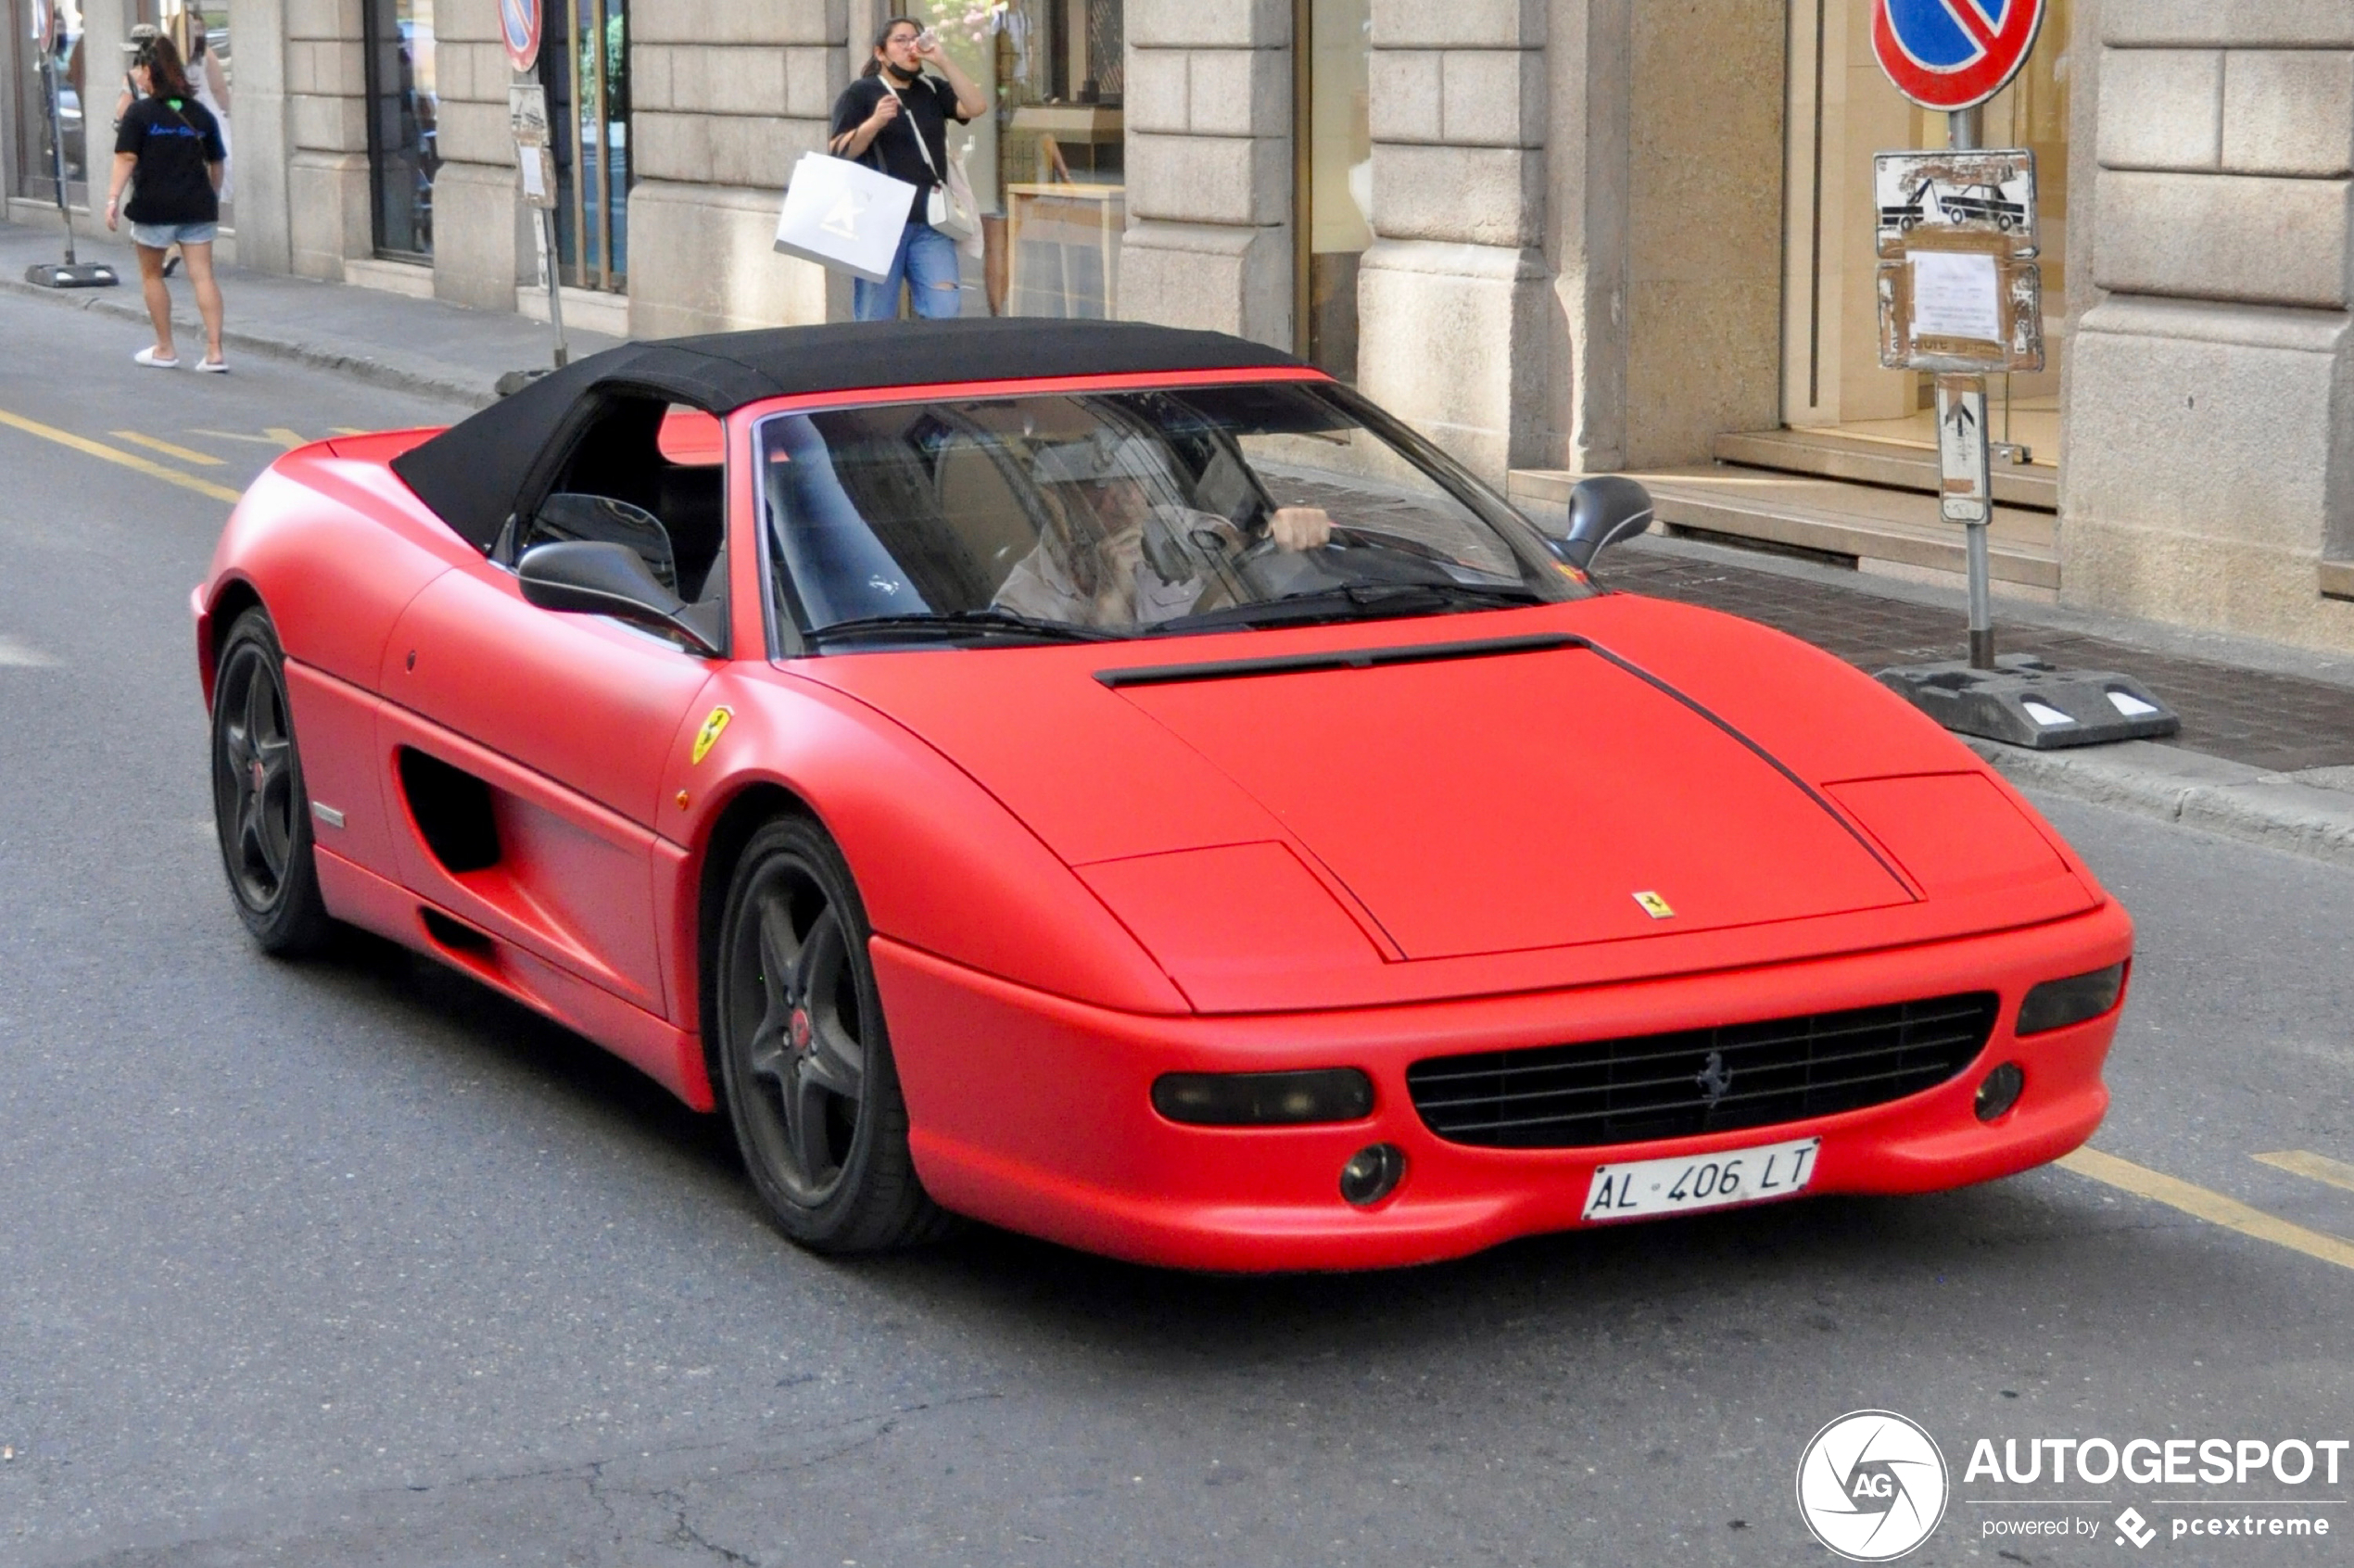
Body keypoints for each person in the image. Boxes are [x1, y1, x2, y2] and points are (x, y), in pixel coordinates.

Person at [993, 431, 1335, 630]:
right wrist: (1112, 601)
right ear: (1060, 497)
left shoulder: (1180, 526)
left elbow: (1249, 558)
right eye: (1099, 485)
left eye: (1134, 480)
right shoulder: (1023, 601)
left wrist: (1291, 531)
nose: (1123, 497)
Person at [827, 19, 985, 322]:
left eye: (914, 38)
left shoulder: (931, 89)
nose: (910, 46)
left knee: (944, 313)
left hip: (931, 223)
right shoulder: (861, 93)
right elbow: (837, 151)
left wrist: (942, 60)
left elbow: (976, 106)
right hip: (879, 224)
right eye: (900, 40)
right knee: (876, 319)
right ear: (880, 53)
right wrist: (873, 124)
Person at [105, 34, 228, 372]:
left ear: (149, 71)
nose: (138, 77)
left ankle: (165, 348)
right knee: (203, 276)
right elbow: (217, 161)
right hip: (196, 205)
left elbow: (126, 158)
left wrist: (112, 199)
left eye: (140, 70)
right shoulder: (200, 114)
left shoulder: (139, 113)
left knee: (151, 276)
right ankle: (215, 352)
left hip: (153, 206)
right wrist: (212, 195)